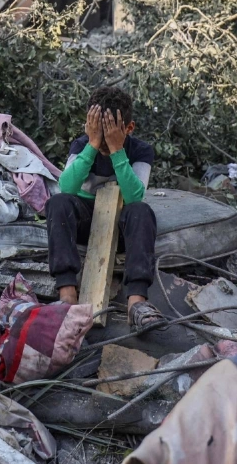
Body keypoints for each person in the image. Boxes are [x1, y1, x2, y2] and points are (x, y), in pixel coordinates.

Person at [47, 86, 167, 333]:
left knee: (142, 212)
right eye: (97, 133)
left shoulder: (141, 151)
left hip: (122, 223)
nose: (102, 140)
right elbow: (67, 186)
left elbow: (135, 195)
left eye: (109, 133)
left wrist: (116, 150)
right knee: (57, 203)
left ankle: (136, 303)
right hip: (85, 219)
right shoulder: (83, 145)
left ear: (129, 128)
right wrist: (92, 146)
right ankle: (67, 294)